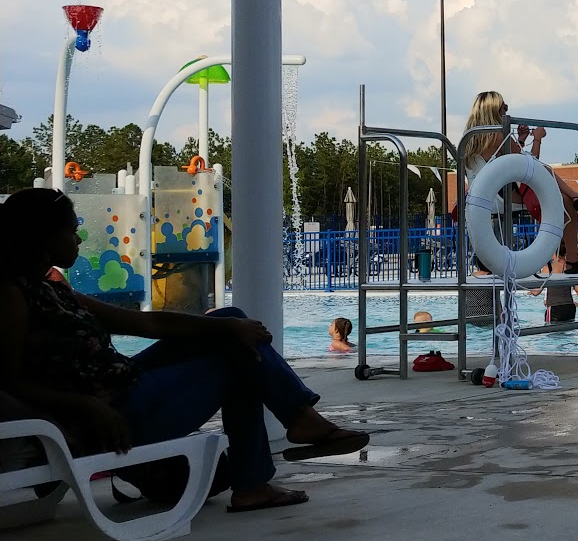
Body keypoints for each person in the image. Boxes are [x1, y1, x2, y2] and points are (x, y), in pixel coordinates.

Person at [0, 188, 369, 513]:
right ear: (43, 236)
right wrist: (84, 406)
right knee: (238, 360)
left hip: (121, 386)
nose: (79, 238)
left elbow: (145, 324)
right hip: (109, 414)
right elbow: (6, 381)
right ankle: (264, 469)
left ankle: (295, 424)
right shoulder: (11, 296)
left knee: (229, 320)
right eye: (71, 229)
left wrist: (227, 326)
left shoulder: (51, 289)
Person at [462, 91, 578, 275]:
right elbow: (531, 165)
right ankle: (573, 256)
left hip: (483, 200)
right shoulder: (498, 135)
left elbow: (508, 159)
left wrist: (521, 140)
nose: (507, 108)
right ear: (493, 109)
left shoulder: (470, 140)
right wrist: (538, 138)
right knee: (564, 201)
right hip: (505, 197)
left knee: (556, 188)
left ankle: (577, 198)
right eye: (503, 105)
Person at [526, 256, 578, 323]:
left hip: (555, 307)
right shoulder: (571, 267)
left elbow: (537, 292)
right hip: (570, 307)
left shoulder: (548, 268)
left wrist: (528, 289)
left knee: (551, 331)